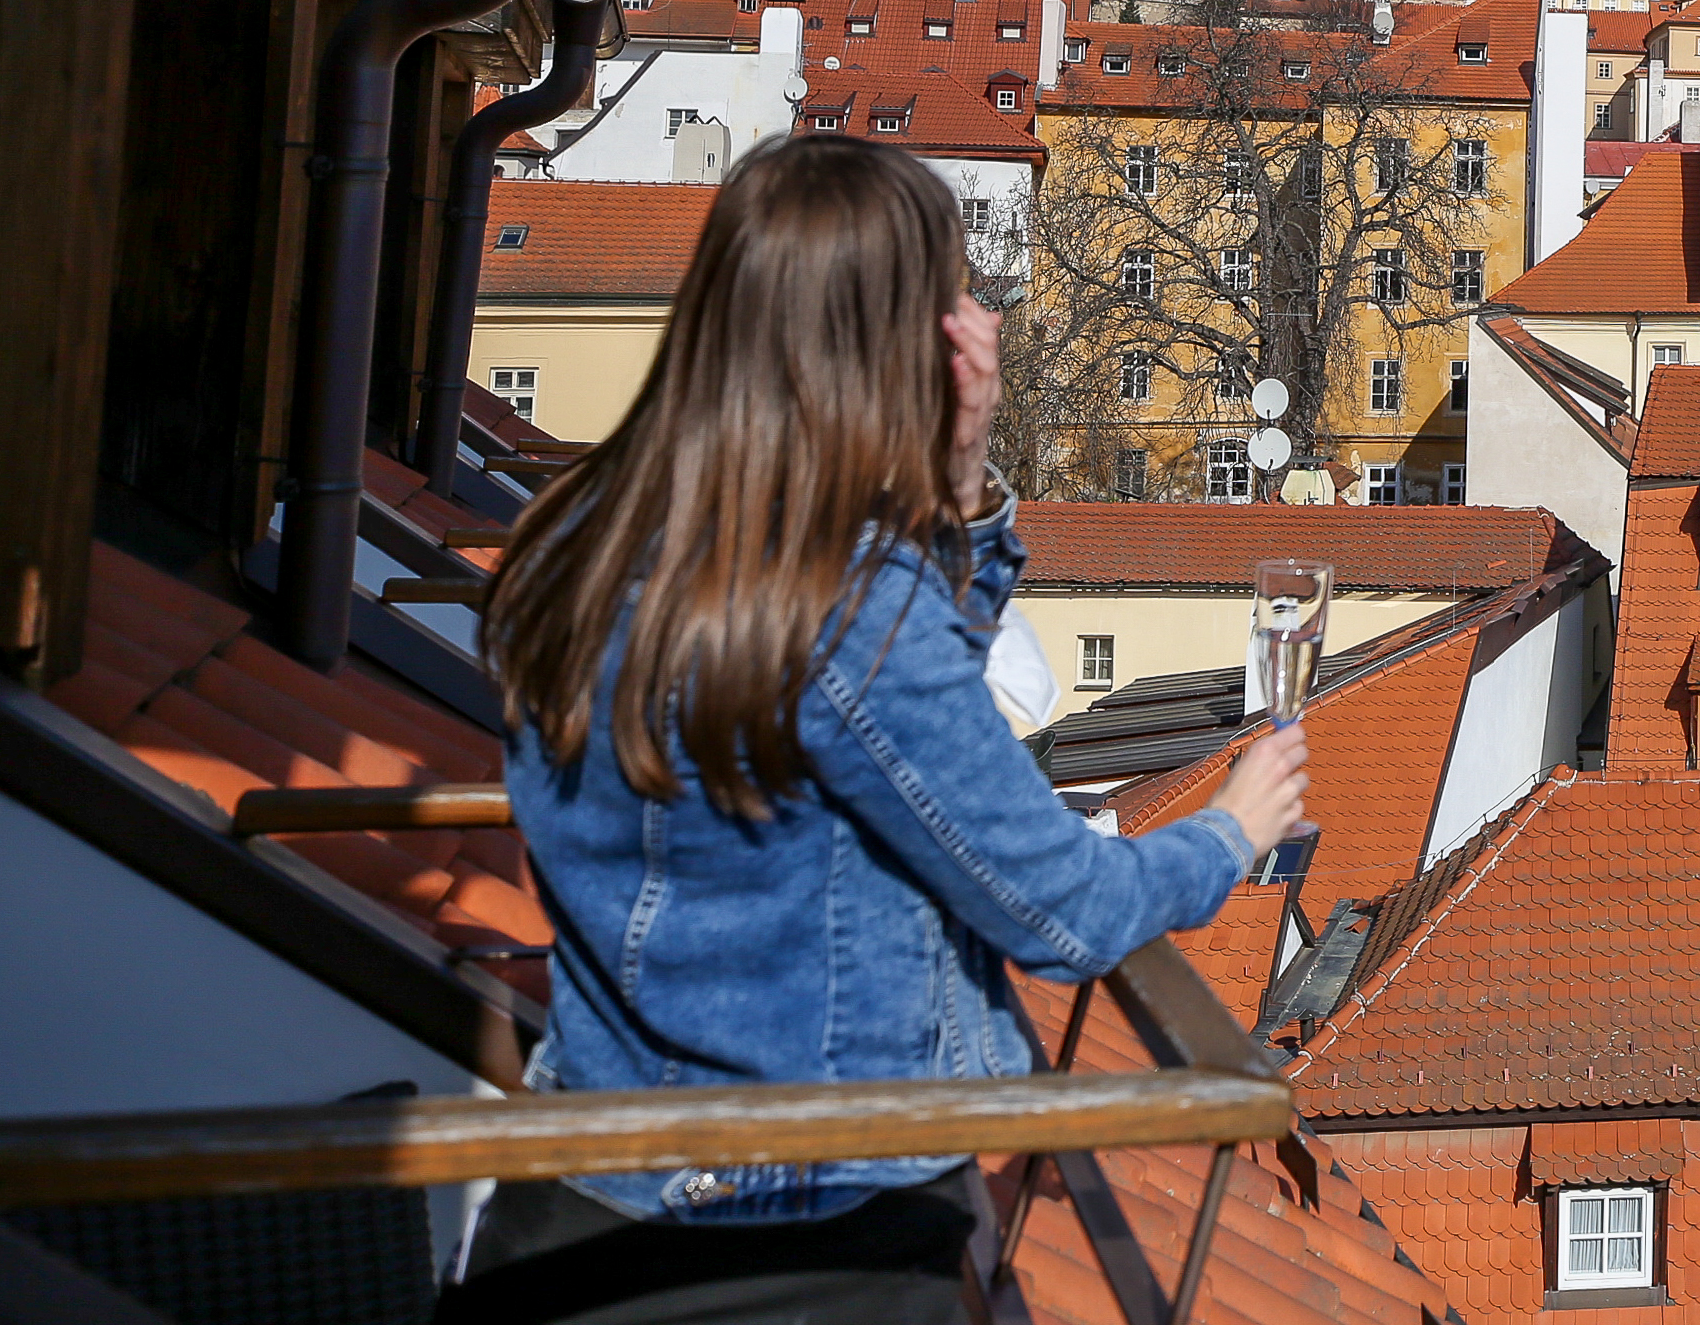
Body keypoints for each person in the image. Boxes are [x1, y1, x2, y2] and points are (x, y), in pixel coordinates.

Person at [458, 135, 1306, 1324]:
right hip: (808, 1235)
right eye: (956, 293)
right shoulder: (849, 607)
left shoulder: (582, 543)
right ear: (901, 341)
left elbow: (888, 716)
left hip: (583, 1194)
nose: (983, 320)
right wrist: (1226, 833)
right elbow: (1063, 911)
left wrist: (955, 495)